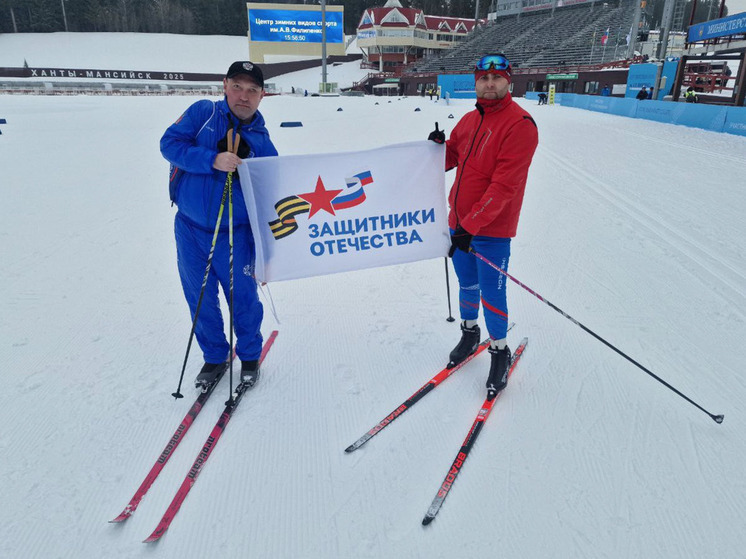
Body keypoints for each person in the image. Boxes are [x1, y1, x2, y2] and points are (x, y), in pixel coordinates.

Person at [161, 61, 278, 389]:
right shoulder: (203, 114)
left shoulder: (263, 142)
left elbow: (273, 192)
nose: (244, 96)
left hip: (235, 235)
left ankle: (250, 353)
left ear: (261, 96)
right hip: (190, 228)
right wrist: (210, 159)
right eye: (238, 87)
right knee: (198, 296)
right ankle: (214, 356)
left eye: (252, 90)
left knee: (242, 296)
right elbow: (169, 144)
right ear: (224, 85)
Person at [427, 53, 538, 398]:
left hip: (491, 231)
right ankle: (469, 331)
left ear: (509, 82)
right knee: (468, 285)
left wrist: (472, 224)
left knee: (492, 293)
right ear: (476, 83)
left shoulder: (521, 125)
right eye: (483, 79)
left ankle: (499, 350)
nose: (489, 84)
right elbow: (452, 159)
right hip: (458, 224)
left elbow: (505, 186)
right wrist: (436, 150)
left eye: (497, 78)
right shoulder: (468, 121)